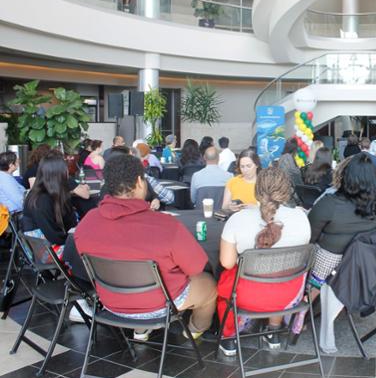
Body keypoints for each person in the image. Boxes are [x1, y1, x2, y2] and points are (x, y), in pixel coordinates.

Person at [74, 154, 216, 341]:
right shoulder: (165, 224)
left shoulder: (87, 222)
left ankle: (140, 331)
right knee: (210, 285)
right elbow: (195, 267)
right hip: (160, 304)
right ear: (140, 182)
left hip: (110, 303)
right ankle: (195, 328)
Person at [217, 166, 311, 355]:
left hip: (246, 297)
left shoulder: (238, 219)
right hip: (289, 297)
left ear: (257, 190)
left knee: (228, 274)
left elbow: (226, 263)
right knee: (281, 273)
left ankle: (229, 337)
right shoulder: (302, 219)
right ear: (287, 191)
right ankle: (273, 331)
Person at [308, 153, 376, 288]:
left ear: (345, 176)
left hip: (330, 269)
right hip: (367, 267)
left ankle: (308, 297)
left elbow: (309, 237)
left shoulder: (329, 203)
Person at [22, 151, 79, 246]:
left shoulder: (55, 193)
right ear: (57, 174)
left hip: (53, 244)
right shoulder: (41, 199)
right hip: (45, 251)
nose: (68, 172)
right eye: (66, 169)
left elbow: (70, 222)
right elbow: (54, 236)